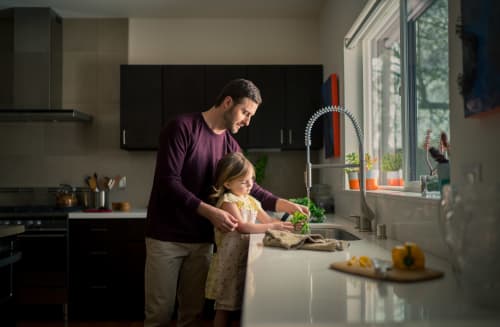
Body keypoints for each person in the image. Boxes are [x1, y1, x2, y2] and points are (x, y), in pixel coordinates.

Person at [144, 78, 309, 327]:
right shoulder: (182, 128)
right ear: (227, 102)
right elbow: (168, 182)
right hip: (166, 237)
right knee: (160, 314)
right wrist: (210, 212)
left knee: (191, 316)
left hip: (201, 241)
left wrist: (286, 205)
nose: (247, 121)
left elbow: (249, 187)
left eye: (251, 115)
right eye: (245, 112)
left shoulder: (230, 145)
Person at [205, 152, 295, 327]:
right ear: (227, 183)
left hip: (248, 260)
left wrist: (288, 226)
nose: (250, 185)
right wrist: (272, 227)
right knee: (225, 307)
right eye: (244, 181)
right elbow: (242, 227)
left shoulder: (252, 200)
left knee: (242, 304)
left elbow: (268, 221)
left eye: (251, 180)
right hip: (229, 262)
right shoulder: (228, 201)